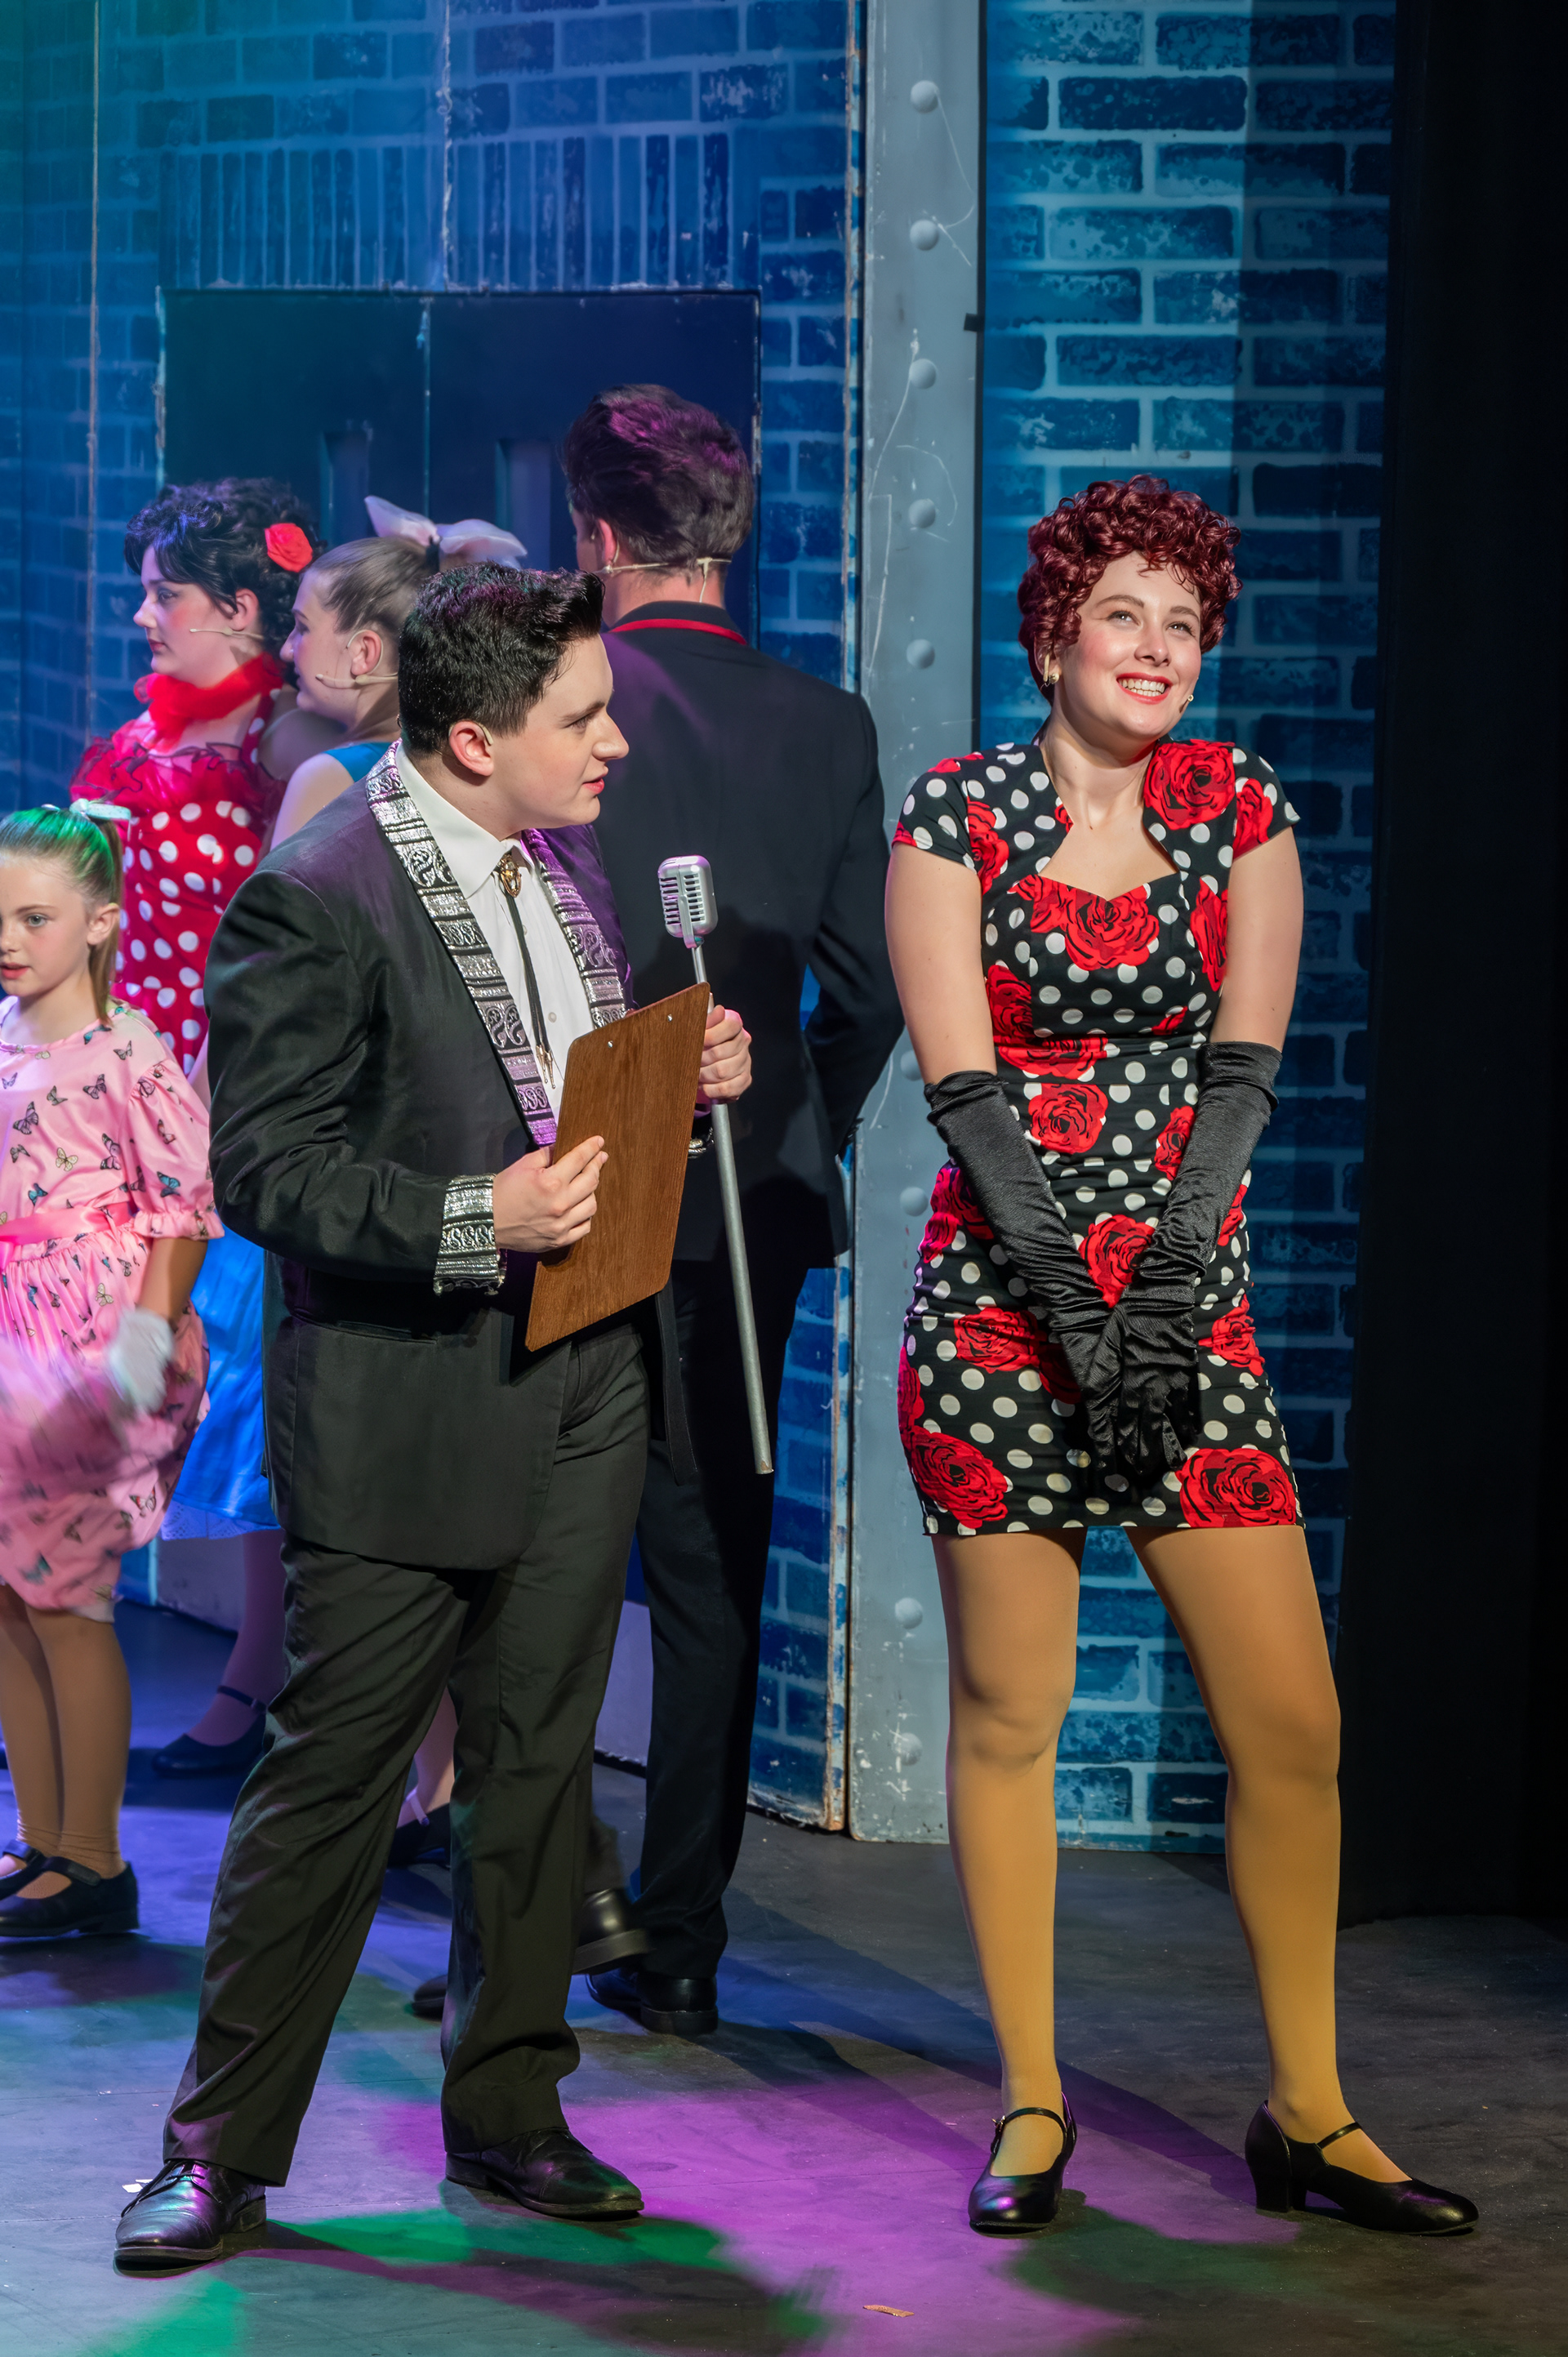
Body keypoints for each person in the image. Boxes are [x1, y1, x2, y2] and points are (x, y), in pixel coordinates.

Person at [114, 564, 752, 2271]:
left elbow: (553, 1082)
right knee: (334, 1777)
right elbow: (270, 1170)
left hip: (584, 1379)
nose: (616, 743)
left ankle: (513, 2112)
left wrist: (678, 1067)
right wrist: (485, 1218)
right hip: (407, 1406)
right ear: (475, 738)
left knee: (536, 1768)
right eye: (584, 717)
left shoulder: (566, 857)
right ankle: (218, 2152)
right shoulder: (317, 893)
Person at [885, 474, 1476, 2239]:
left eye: (1186, 624)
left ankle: (1311, 2111)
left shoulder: (1238, 806)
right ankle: (1034, 2101)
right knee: (1012, 1714)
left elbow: (1244, 1076)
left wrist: (1157, 1295)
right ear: (1054, 633)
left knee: (1294, 1723)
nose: (1156, 649)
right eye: (1123, 615)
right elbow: (964, 1089)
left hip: (1183, 1313)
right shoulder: (958, 812)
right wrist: (1068, 1304)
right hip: (1001, 1319)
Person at [572, 384, 903, 2035]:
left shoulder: (564, 697)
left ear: (596, 535)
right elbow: (876, 990)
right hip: (756, 1185)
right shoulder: (829, 722)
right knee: (712, 1566)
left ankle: (539, 1913)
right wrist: (792, 1117)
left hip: (578, 1170)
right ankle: (682, 1940)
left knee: (546, 1552)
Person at [68, 479, 341, 1780]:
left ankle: (258, 1679)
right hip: (119, 1110)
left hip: (236, 1116)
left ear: (239, 607)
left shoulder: (289, 753)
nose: (142, 616)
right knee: (97, 1383)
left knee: (233, 1399)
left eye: (162, 594)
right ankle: (58, 1677)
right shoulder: (139, 744)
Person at [154, 532, 432, 1784]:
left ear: (368, 650)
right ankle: (367, 1736)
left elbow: (258, 995)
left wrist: (194, 1142)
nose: (292, 646)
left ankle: (290, 1705)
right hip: (398, 1138)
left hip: (306, 1134)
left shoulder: (337, 776)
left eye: (309, 622)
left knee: (284, 1433)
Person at [0, 809, 216, 1940]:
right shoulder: (3, 1037)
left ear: (99, 923)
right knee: (8, 1595)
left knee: (69, 1600)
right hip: (11, 1346)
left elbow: (183, 1211)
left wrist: (136, 1356)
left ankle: (92, 1858)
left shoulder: (128, 1054)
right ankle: (42, 1842)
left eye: (34, 917)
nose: (10, 939)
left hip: (91, 1349)